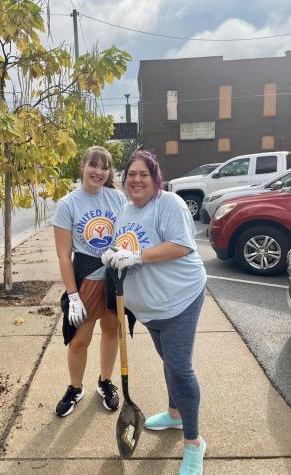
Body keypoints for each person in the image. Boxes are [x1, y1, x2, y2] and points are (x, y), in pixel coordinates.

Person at [102, 150, 207, 475]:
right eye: (130, 174)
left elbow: (182, 245)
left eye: (143, 174)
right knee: (170, 363)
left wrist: (136, 256)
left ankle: (194, 443)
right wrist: (114, 254)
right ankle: (175, 415)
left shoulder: (169, 204)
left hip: (179, 300)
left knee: (179, 368)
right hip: (149, 309)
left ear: (155, 177)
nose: (136, 179)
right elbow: (125, 245)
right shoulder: (124, 209)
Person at [53, 146, 127, 417]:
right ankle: (75, 388)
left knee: (111, 331)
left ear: (109, 172)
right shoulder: (68, 204)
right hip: (85, 281)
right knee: (78, 340)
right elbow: (64, 255)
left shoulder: (117, 199)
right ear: (82, 166)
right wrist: (72, 296)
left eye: (104, 167)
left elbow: (126, 235)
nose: (98, 171)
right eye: (93, 165)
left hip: (113, 279)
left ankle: (105, 382)